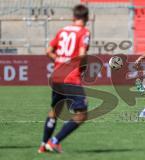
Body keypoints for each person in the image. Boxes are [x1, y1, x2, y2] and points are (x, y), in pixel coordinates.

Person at [38, 4, 90, 153]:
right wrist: (83, 68)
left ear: (73, 17)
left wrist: (59, 60)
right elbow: (81, 55)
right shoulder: (84, 32)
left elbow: (48, 51)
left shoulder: (62, 31)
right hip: (71, 77)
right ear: (86, 18)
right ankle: (54, 141)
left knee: (55, 110)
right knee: (81, 114)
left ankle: (43, 145)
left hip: (57, 76)